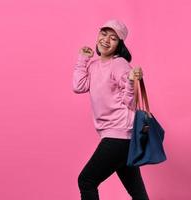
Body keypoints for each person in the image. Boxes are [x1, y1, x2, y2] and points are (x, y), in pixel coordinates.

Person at [72, 19, 149, 200]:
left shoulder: (119, 63)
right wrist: (83, 59)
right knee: (137, 192)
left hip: (119, 134)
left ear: (119, 44)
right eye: (104, 34)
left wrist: (130, 81)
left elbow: (130, 102)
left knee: (87, 180)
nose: (106, 40)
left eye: (113, 38)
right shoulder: (94, 65)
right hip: (119, 136)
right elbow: (78, 86)